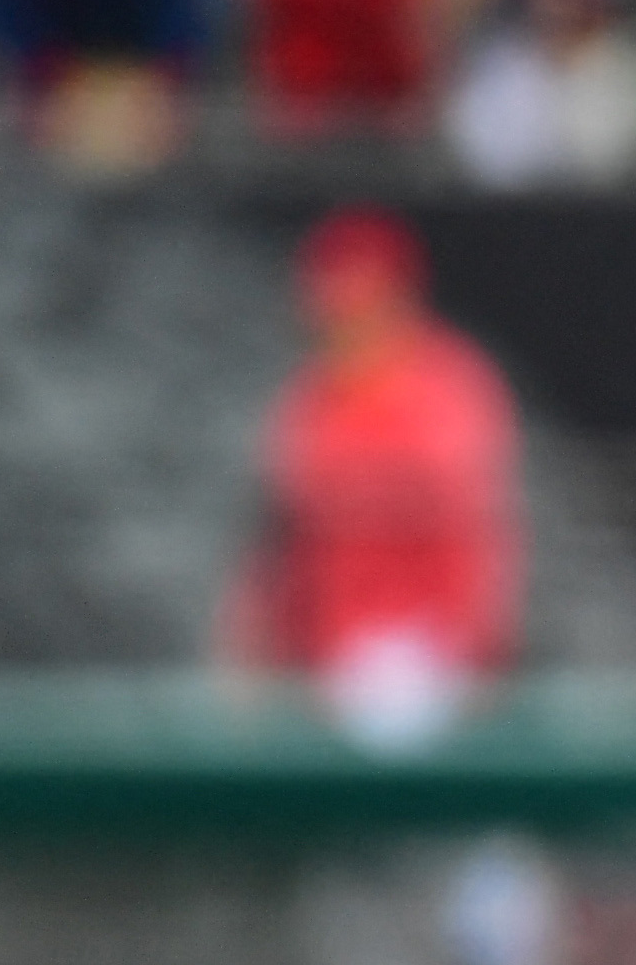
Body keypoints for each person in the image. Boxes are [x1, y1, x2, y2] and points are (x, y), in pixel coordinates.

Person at [224, 207, 524, 742]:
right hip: (323, 669)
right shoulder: (307, 403)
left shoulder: (449, 388)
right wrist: (247, 656)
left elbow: (484, 538)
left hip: (429, 662)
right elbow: (274, 548)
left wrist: (483, 657)